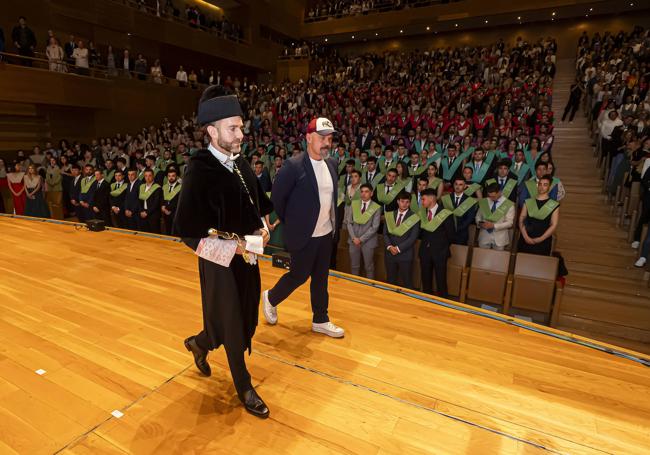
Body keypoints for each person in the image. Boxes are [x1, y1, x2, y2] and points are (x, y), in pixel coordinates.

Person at [173, 86, 273, 418]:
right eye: (234, 128)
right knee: (230, 320)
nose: (241, 134)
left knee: (236, 317)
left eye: (241, 127)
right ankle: (243, 385)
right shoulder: (199, 170)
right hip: (217, 262)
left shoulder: (241, 163)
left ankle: (199, 344)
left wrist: (262, 228)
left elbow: (256, 206)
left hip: (247, 258)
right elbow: (188, 232)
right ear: (212, 131)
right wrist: (230, 249)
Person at [263, 117, 345, 338]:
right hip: (304, 235)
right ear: (309, 138)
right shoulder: (293, 166)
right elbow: (278, 200)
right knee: (298, 276)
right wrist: (294, 224)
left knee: (321, 278)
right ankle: (270, 298)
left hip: (325, 233)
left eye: (330, 138)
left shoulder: (333, 164)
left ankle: (321, 319)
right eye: (321, 137)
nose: (327, 143)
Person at [418, 188, 455, 297]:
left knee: (441, 280)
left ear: (432, 198)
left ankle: (443, 303)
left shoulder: (445, 213)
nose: (421, 202)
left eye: (423, 199)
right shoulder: (423, 213)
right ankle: (427, 301)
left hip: (440, 252)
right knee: (425, 279)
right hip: (425, 251)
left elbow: (451, 235)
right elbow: (420, 233)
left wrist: (439, 246)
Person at [383, 191, 420, 289]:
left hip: (405, 254)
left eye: (407, 202)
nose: (405, 204)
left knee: (407, 282)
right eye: (402, 201)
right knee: (390, 281)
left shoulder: (414, 217)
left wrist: (398, 248)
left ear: (410, 203)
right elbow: (385, 234)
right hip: (390, 253)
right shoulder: (390, 215)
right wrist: (390, 247)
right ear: (398, 202)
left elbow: (413, 238)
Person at [345, 183, 381, 279]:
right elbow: (348, 222)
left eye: (366, 192)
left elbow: (375, 227)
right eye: (361, 192)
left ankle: (369, 288)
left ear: (371, 193)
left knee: (368, 267)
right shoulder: (354, 204)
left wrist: (360, 239)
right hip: (353, 241)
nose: (363, 194)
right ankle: (354, 286)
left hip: (368, 242)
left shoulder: (376, 207)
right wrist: (354, 238)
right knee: (354, 266)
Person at [518, 175, 559, 256]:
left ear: (549, 187)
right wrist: (525, 236)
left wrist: (540, 239)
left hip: (543, 241)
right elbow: (521, 219)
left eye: (545, 185)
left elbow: (554, 225)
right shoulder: (528, 202)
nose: (541, 187)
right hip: (525, 238)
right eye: (540, 184)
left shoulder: (554, 205)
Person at [475, 182, 515, 250]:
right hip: (484, 236)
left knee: (498, 260)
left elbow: (509, 223)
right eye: (489, 196)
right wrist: (480, 223)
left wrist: (494, 226)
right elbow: (478, 216)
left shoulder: (509, 204)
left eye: (493, 196)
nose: (491, 198)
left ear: (499, 192)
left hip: (499, 238)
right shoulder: (485, 201)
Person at [440, 177, 477, 245]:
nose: (457, 186)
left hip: (461, 234)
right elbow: (441, 214)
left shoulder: (469, 200)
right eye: (456, 184)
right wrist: (449, 228)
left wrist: (457, 228)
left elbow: (470, 218)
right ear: (453, 185)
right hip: (446, 232)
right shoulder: (446, 198)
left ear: (465, 186)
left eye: (460, 184)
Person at [161, 167, 181, 235]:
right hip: (165, 214)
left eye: (173, 176)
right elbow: (162, 199)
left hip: (176, 214)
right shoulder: (164, 187)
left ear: (177, 177)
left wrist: (170, 210)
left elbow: (179, 202)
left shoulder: (181, 187)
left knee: (175, 234)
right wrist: (163, 206)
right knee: (167, 232)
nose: (171, 178)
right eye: (169, 176)